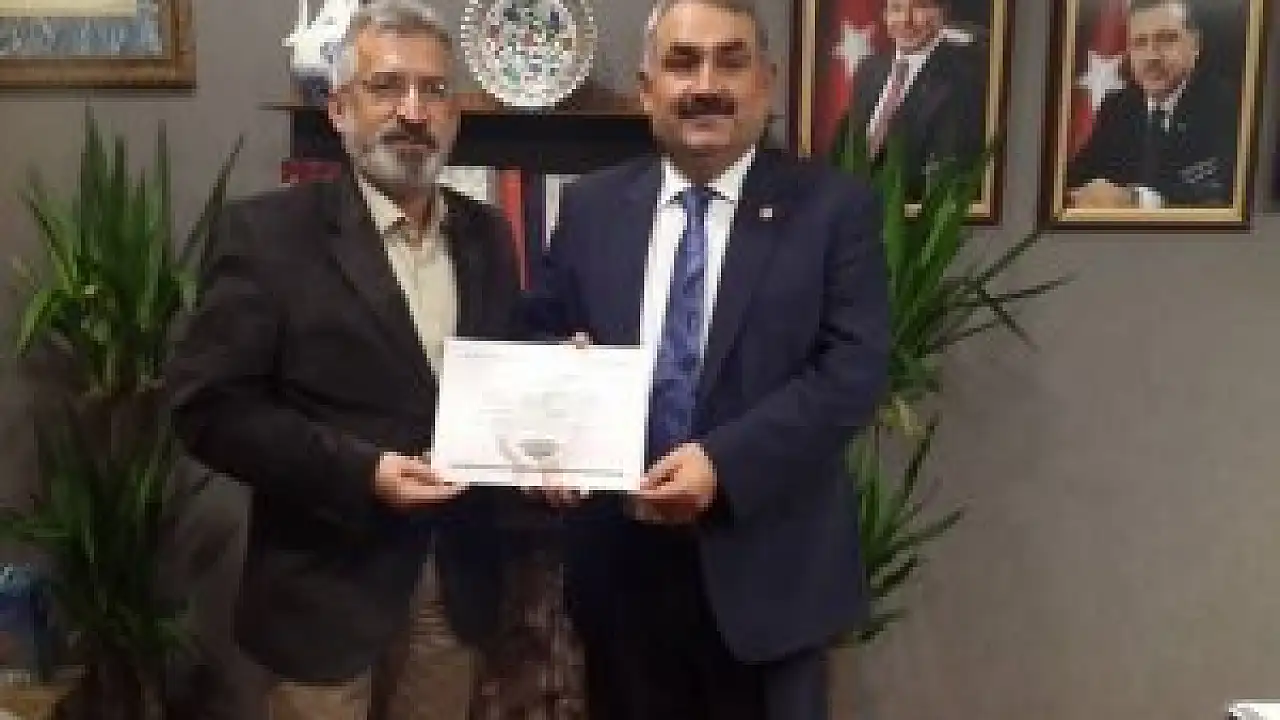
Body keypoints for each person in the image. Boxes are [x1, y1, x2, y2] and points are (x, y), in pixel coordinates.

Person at [526, 1, 890, 718]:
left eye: (731, 61)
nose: (706, 85)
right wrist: (557, 405)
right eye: (682, 62)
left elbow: (851, 372)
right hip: (622, 574)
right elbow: (540, 330)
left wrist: (722, 465)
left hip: (771, 577)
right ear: (647, 88)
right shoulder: (593, 205)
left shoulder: (834, 209)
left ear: (767, 81)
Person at [164, 1, 521, 718]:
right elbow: (210, 410)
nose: (413, 112)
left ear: (454, 113)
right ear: (339, 109)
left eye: (433, 90)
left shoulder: (486, 234)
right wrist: (364, 472)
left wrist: (560, 390)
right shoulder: (267, 235)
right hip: (322, 599)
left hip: (453, 591)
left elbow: (500, 381)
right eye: (386, 87)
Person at [1067, 0, 1238, 208]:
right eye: (1139, 43)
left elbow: (1219, 187)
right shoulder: (1118, 106)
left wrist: (1135, 200)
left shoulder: (1227, 105)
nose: (1151, 57)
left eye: (1166, 39)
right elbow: (1075, 178)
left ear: (1196, 45)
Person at [834, 0, 986, 197]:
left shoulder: (962, 79)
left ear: (942, 14)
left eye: (919, 7)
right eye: (896, 8)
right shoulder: (868, 69)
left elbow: (947, 175)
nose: (906, 20)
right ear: (885, 16)